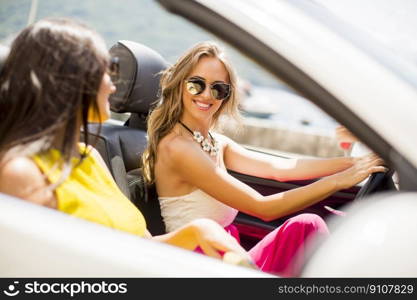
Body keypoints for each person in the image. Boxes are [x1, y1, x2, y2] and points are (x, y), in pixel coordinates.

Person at [0, 18, 252, 267]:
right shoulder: (22, 174)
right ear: (69, 81)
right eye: (104, 72)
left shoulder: (87, 155)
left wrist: (198, 231)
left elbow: (136, 247)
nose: (111, 85)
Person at [141, 41, 386, 277]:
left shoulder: (214, 141)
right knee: (308, 226)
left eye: (218, 88)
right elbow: (263, 208)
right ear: (180, 84)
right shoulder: (179, 148)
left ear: (227, 95)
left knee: (306, 226)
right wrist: (338, 181)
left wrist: (354, 164)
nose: (207, 95)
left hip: (227, 255)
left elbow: (279, 169)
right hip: (200, 266)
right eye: (197, 84)